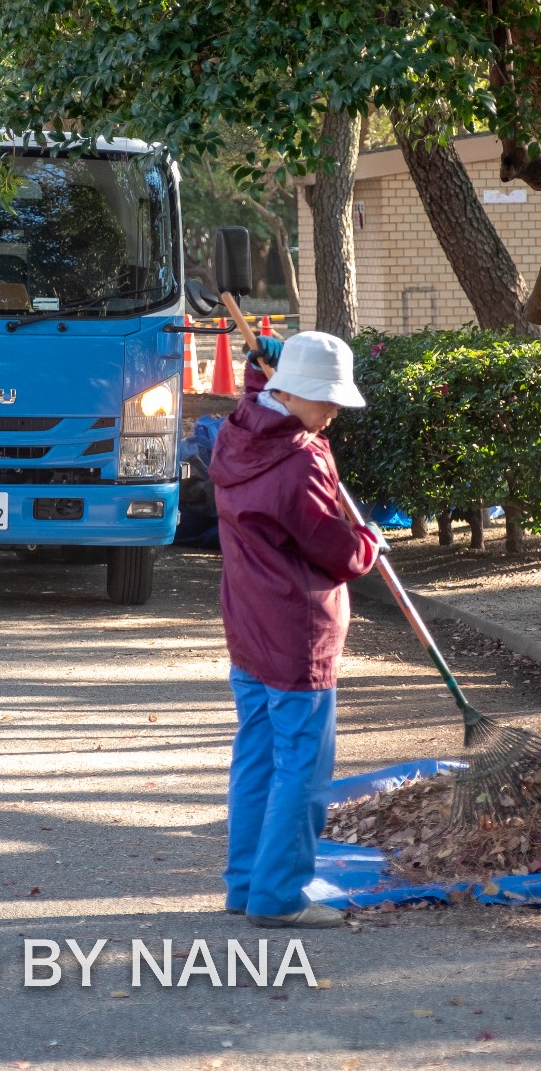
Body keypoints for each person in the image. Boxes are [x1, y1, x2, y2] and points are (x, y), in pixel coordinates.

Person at [208, 330, 379, 928]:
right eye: (326, 400)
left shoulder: (238, 433)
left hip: (249, 623)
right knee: (302, 768)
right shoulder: (301, 461)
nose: (332, 413)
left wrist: (268, 369)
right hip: (296, 631)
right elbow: (336, 551)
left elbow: (261, 399)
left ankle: (246, 884)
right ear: (295, 392)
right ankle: (279, 896)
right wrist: (368, 543)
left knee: (256, 755)